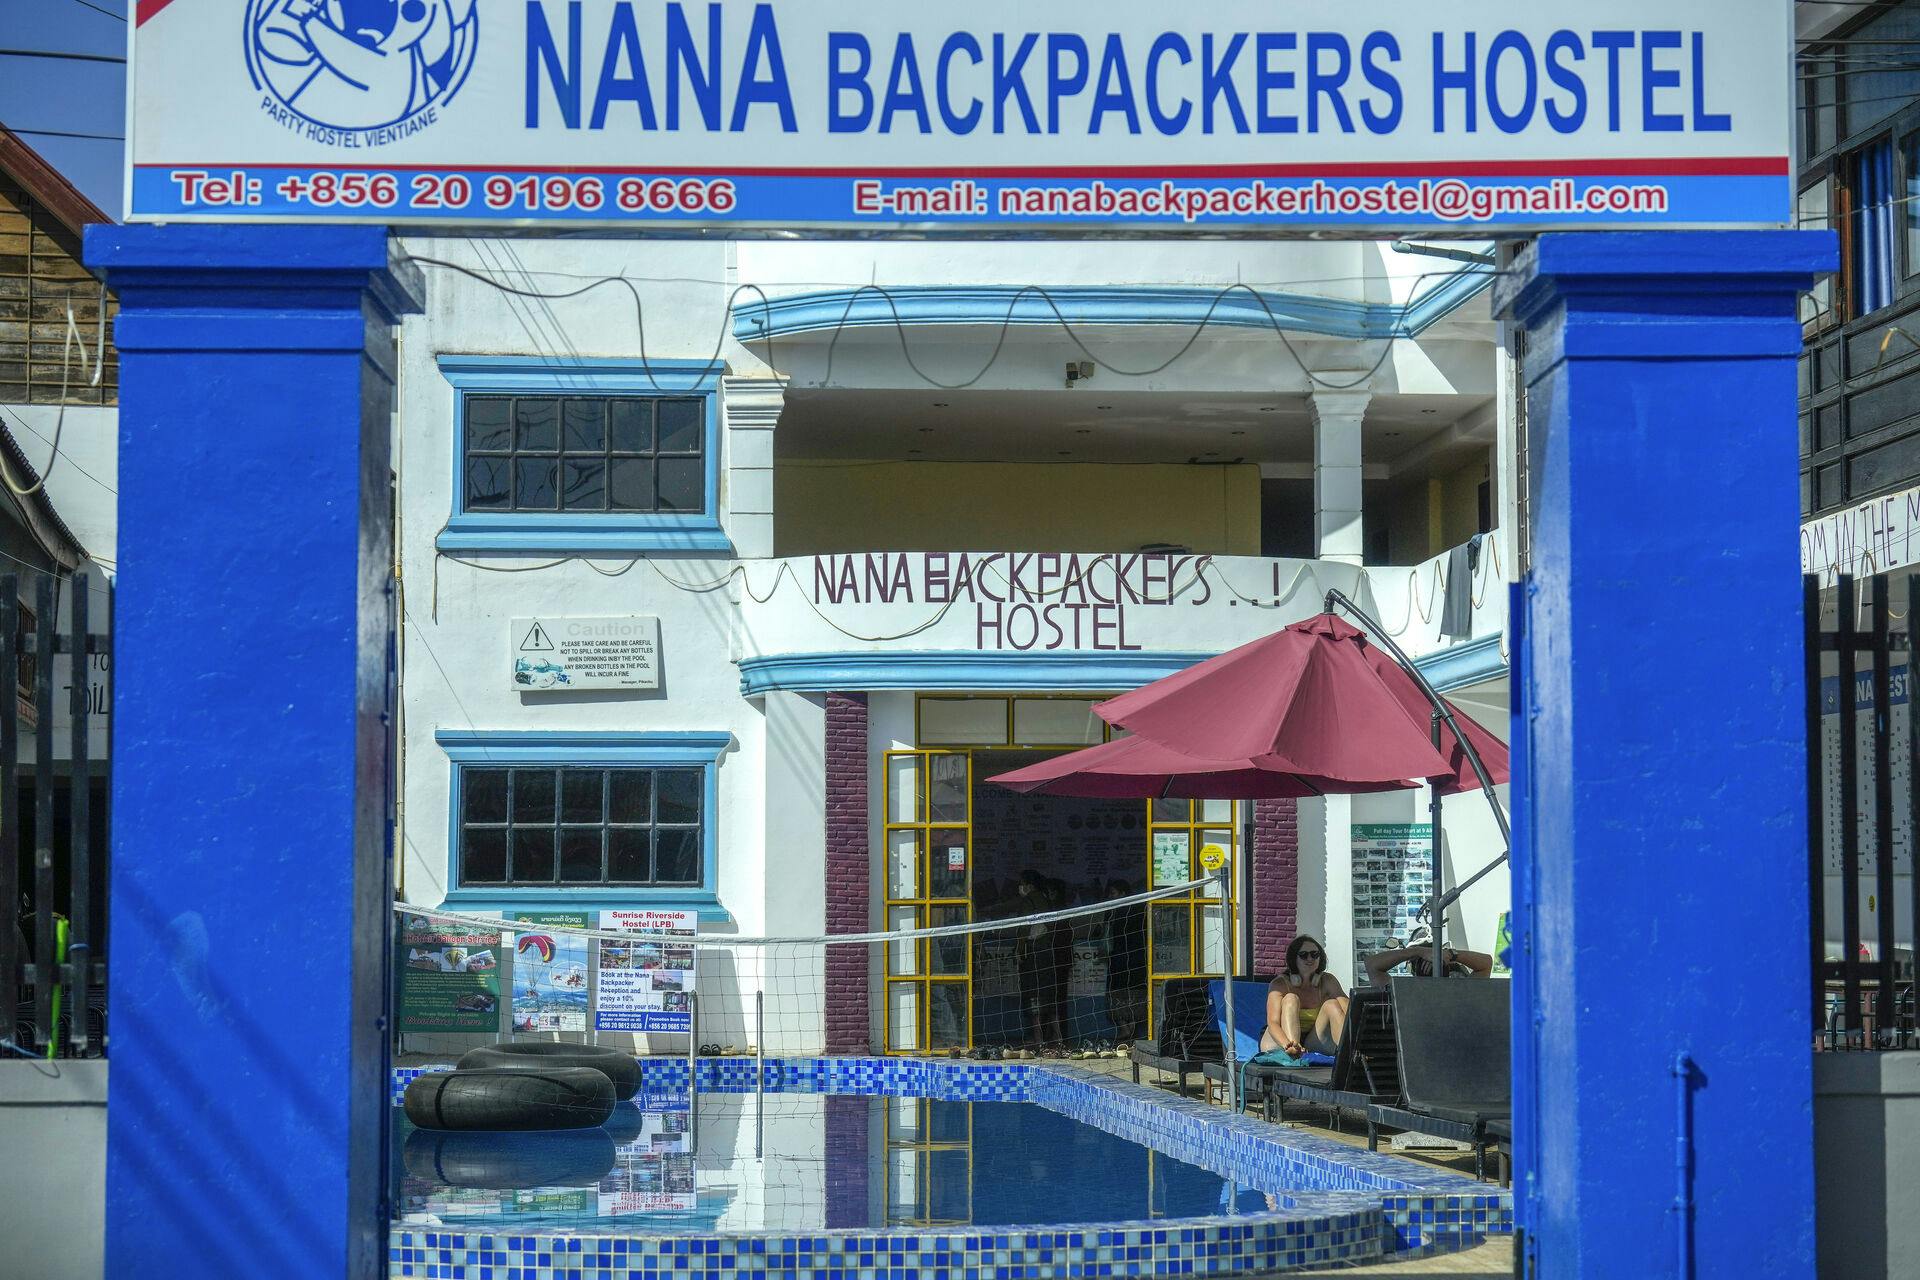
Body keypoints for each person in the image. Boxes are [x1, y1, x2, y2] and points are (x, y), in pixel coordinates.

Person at [1015, 870, 1073, 1051]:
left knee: (1033, 996)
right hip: (1047, 952)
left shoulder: (1029, 900)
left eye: (1021, 883)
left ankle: (1038, 1037)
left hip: (1034, 953)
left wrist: (1019, 948)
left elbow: (1024, 928)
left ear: (1028, 885)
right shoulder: (1047, 900)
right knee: (1049, 996)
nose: (1020, 887)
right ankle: (1058, 1037)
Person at [1263, 934, 1348, 1058]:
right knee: (1291, 998)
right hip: (1280, 1041)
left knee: (1332, 1004)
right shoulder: (1280, 984)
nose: (1310, 959)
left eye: (1315, 954)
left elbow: (1348, 1007)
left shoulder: (1327, 980)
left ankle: (1349, 1053)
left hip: (1311, 1041)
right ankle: (1294, 1051)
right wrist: (1288, 1045)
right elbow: (1273, 1023)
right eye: (1304, 955)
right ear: (1294, 959)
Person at [1103, 879, 1148, 1043]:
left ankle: (1125, 1029)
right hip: (1135, 958)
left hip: (1124, 958)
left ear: (1123, 894)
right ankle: (1129, 1029)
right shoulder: (1139, 908)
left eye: (1113, 893)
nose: (1110, 897)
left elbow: (1103, 934)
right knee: (1133, 993)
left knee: (1122, 993)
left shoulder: (1114, 911)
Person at [1363, 930, 1494, 984]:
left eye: (1432, 953)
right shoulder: (1404, 995)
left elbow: (1486, 963)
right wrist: (1418, 951)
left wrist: (1447, 954)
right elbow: (1371, 964)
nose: (1428, 959)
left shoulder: (1462, 991)